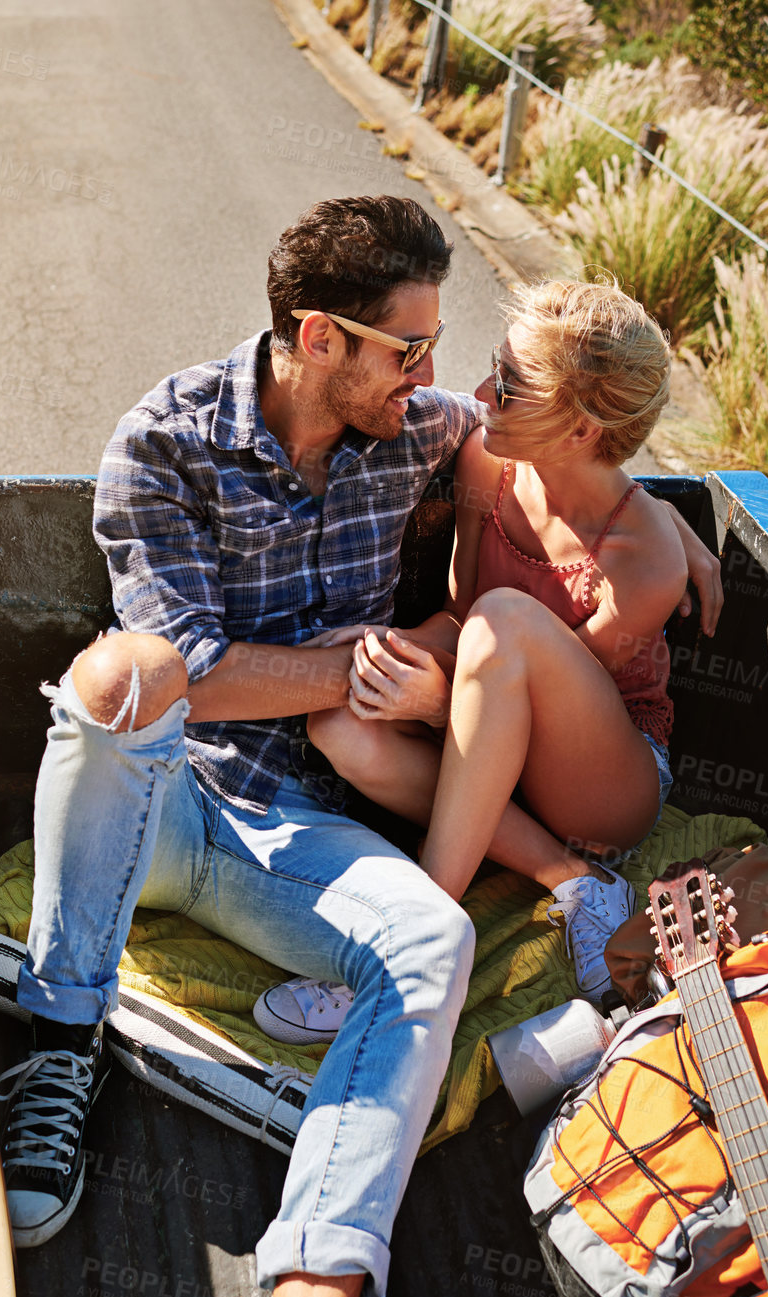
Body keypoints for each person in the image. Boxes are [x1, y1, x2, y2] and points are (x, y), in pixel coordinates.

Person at [0, 198, 720, 1297]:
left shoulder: (425, 431)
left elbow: (569, 487)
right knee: (117, 675)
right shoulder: (163, 443)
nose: (436, 380)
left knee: (433, 938)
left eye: (440, 350)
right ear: (318, 338)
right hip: (166, 797)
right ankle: (62, 1040)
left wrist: (675, 538)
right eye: (409, 351)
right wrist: (354, 668)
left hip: (301, 829)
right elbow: (189, 667)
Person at [277, 280, 685, 1037]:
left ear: (580, 431)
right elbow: (463, 620)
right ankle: (576, 885)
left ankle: (413, 947)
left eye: (508, 387)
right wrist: (387, 650)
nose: (478, 393)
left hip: (604, 782)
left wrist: (437, 704)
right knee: (341, 721)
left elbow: (516, 687)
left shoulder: (645, 555)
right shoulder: (487, 465)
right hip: (494, 737)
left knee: (506, 620)